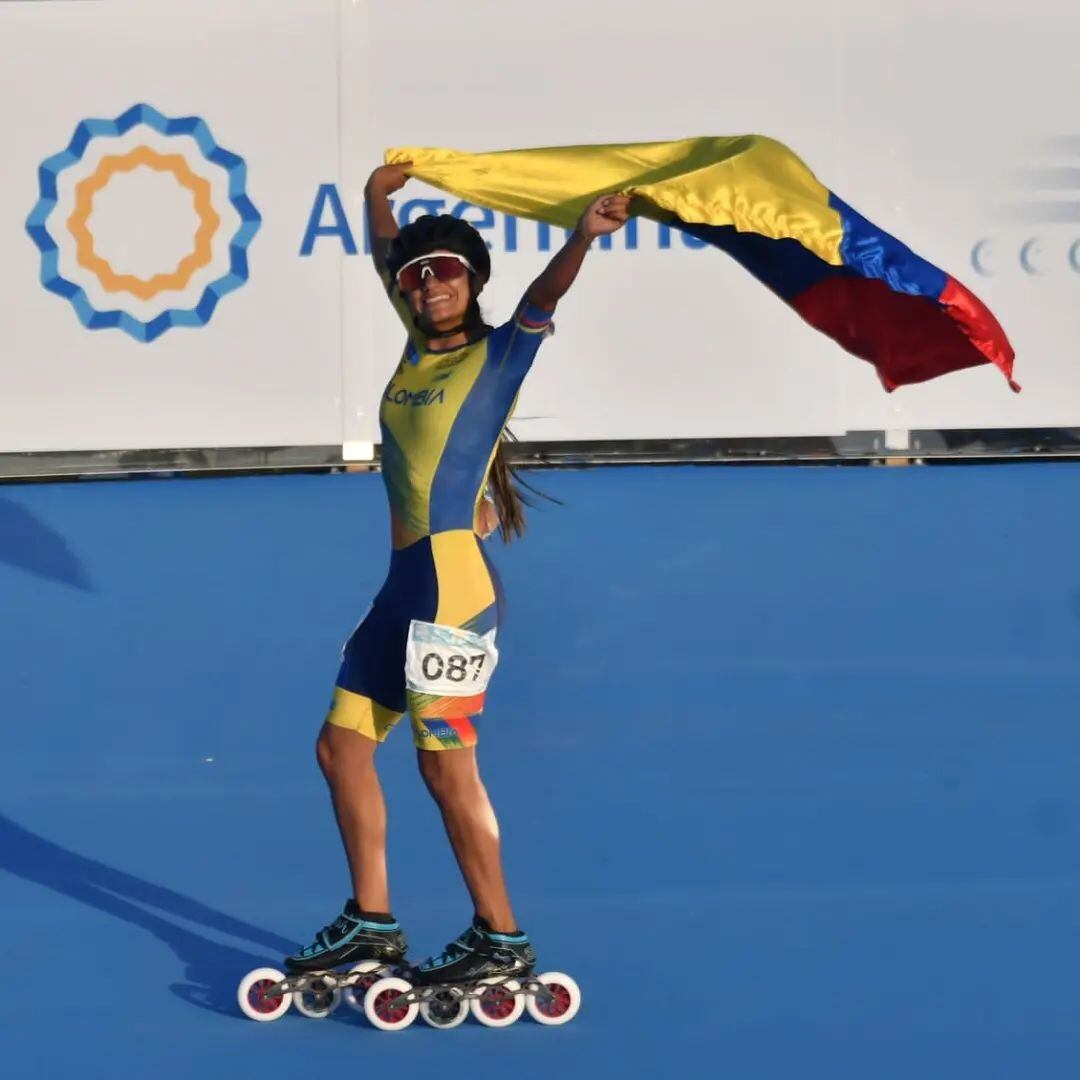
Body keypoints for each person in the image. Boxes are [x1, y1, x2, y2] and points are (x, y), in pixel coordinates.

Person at [284, 162, 630, 987]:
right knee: (341, 749)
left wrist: (583, 236)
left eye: (445, 272)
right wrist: (377, 196)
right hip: (401, 586)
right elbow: (382, 254)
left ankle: (499, 937)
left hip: (450, 590)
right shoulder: (413, 340)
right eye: (415, 275)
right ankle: (372, 922)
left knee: (445, 767)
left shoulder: (501, 355)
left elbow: (546, 296)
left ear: (471, 283)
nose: (428, 283)